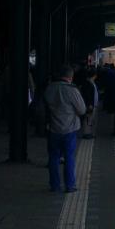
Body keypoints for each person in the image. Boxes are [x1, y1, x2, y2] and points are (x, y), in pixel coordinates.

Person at [43, 64, 87, 193]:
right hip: (70, 128)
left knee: (53, 157)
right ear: (70, 77)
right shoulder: (72, 90)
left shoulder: (49, 88)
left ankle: (54, 185)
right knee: (69, 157)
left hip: (53, 128)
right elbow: (82, 109)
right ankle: (70, 185)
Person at [78, 67, 99, 139]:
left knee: (90, 119)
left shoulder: (91, 83)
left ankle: (89, 132)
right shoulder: (88, 83)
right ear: (94, 76)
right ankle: (86, 133)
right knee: (88, 119)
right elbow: (87, 95)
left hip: (92, 104)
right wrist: (89, 104)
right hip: (89, 105)